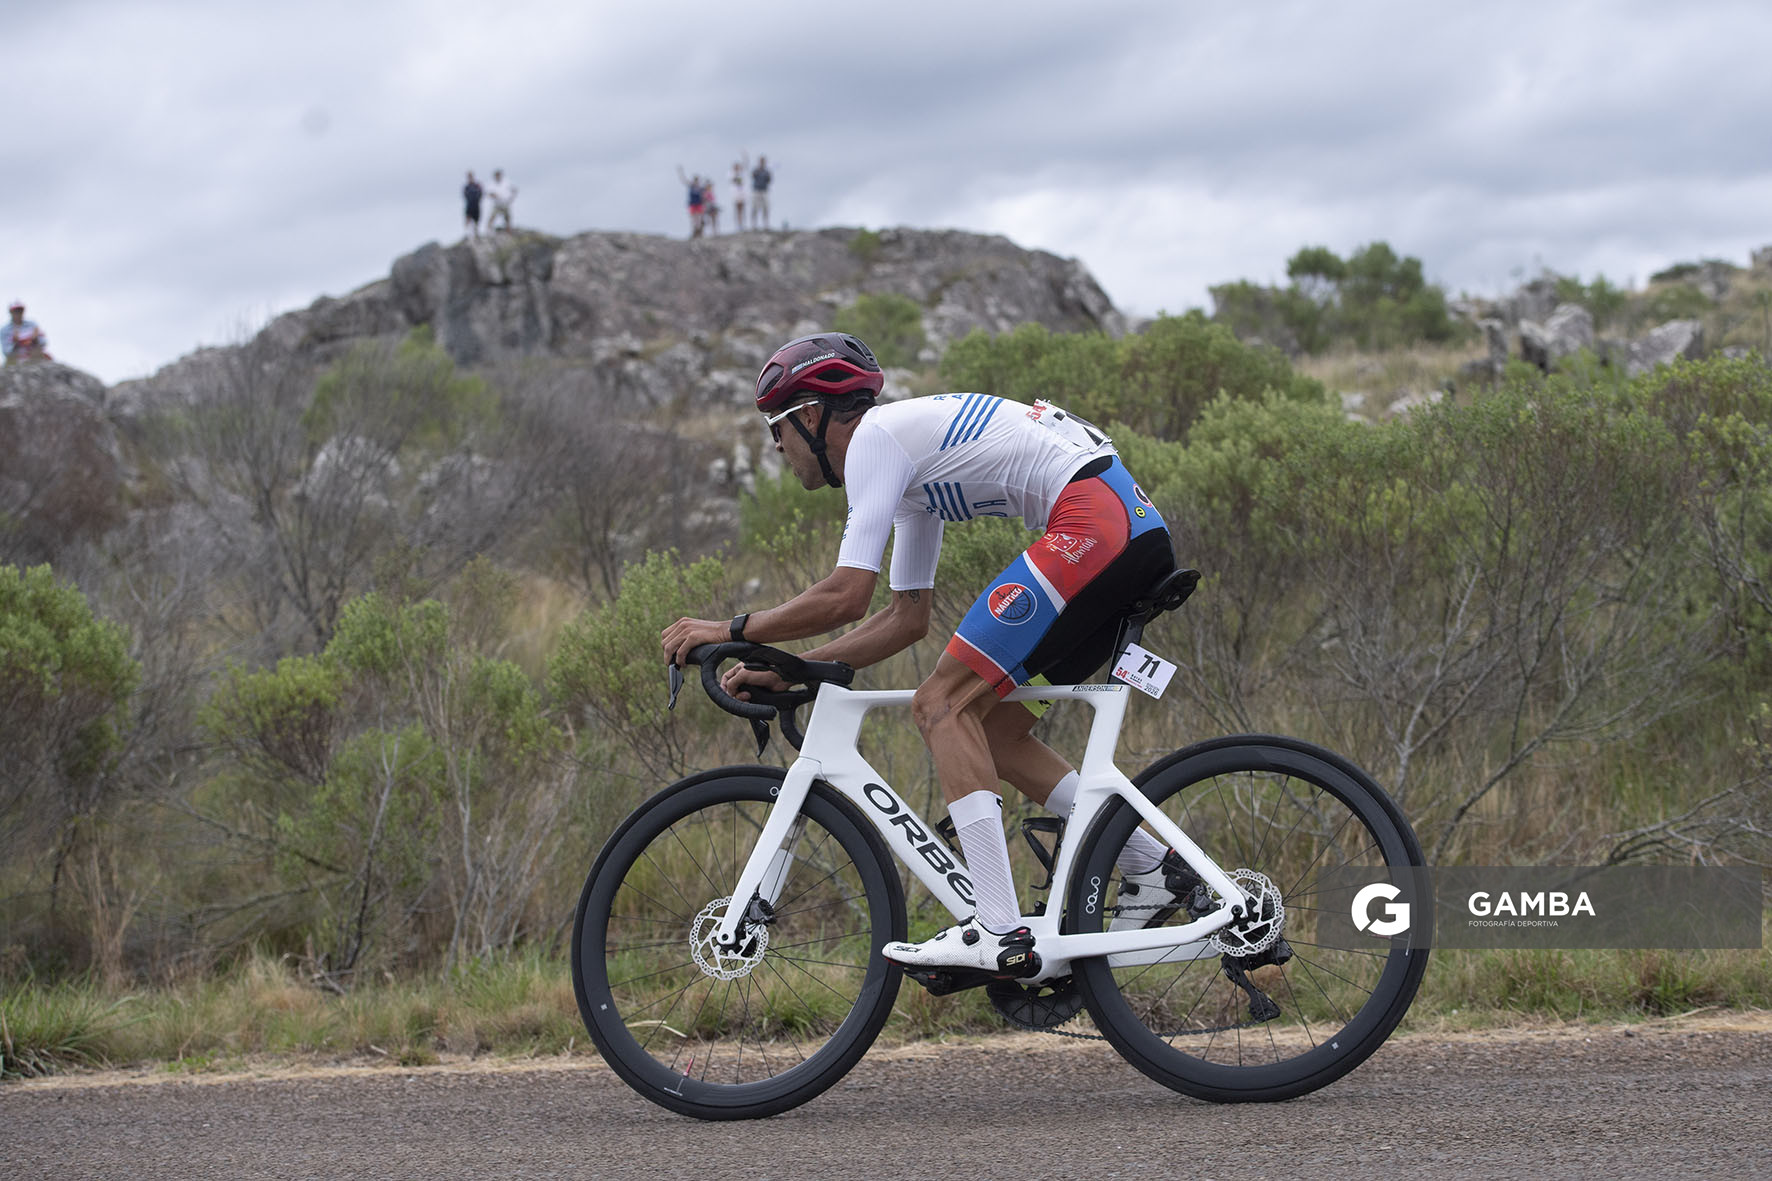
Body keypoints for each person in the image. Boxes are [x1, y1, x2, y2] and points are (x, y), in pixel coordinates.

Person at [661, 332, 1182, 980]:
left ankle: (998, 930)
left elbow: (847, 592)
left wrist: (728, 627)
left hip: (1092, 527)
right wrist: (791, 664)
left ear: (814, 416)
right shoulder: (911, 467)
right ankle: (1153, 867)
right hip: (1127, 532)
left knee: (938, 704)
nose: (775, 445)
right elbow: (906, 617)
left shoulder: (876, 440)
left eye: (778, 426)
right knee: (991, 732)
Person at [749, 156, 773, 229]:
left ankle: (765, 224)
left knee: (766, 208)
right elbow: (752, 177)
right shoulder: (756, 170)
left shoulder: (767, 171)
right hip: (756, 191)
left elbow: (769, 181)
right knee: (755, 208)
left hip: (764, 191)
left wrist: (768, 176)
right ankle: (754, 225)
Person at [462, 171, 483, 238]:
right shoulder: (466, 186)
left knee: (476, 220)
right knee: (468, 218)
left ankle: (476, 233)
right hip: (469, 205)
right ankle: (466, 233)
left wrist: (477, 199)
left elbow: (481, 194)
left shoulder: (477, 185)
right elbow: (464, 195)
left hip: (476, 205)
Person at [729, 156, 748, 231]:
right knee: (737, 210)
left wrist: (745, 156)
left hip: (742, 194)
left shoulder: (741, 173)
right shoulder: (731, 174)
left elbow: (746, 165)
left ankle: (743, 224)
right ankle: (738, 225)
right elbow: (733, 180)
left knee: (743, 210)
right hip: (735, 195)